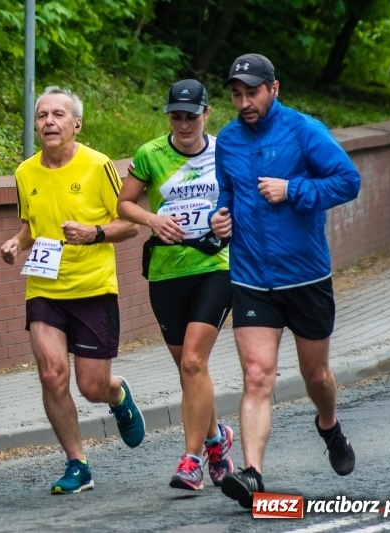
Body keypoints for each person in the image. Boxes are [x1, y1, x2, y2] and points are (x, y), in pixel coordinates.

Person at [210, 53, 360, 509]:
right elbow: (227, 195)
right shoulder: (230, 141)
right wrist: (221, 220)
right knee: (257, 376)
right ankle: (253, 473)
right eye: (237, 94)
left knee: (316, 375)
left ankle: (329, 425)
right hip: (252, 277)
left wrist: (293, 190)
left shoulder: (304, 130)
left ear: (274, 89)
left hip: (306, 276)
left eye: (252, 92)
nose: (244, 101)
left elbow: (348, 181)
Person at [0, 86, 144, 495]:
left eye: (58, 114)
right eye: (42, 114)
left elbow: (130, 224)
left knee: (91, 386)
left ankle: (118, 395)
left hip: (94, 288)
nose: (49, 121)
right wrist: (17, 242)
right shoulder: (25, 172)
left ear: (75, 124)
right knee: (51, 374)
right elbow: (32, 223)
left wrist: (93, 232)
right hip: (44, 287)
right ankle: (77, 463)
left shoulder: (97, 166)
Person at [116, 79, 234, 492]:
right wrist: (152, 220)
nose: (184, 125)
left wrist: (228, 219)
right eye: (176, 116)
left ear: (207, 113)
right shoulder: (151, 153)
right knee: (189, 369)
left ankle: (191, 461)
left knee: (193, 363)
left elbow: (246, 200)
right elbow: (124, 204)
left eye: (191, 116)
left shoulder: (226, 150)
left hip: (215, 267)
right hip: (166, 274)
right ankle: (217, 441)